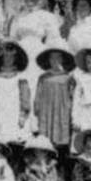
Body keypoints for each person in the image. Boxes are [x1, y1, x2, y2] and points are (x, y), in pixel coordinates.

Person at [6, 0, 61, 96]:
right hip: (21, 52)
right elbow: (13, 38)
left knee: (36, 79)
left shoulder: (46, 16)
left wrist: (50, 56)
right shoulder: (18, 17)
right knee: (21, 81)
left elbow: (53, 38)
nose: (29, 1)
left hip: (38, 51)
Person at [33, 42, 75, 173]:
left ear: (62, 59)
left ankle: (62, 172)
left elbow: (72, 96)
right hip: (46, 112)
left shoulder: (68, 77)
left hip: (62, 112)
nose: (54, 61)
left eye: (58, 57)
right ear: (48, 60)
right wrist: (37, 109)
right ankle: (47, 171)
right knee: (46, 141)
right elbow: (38, 96)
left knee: (61, 141)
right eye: (52, 58)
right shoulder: (43, 78)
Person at [0, 40, 30, 146]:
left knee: (15, 139)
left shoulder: (21, 76)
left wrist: (23, 113)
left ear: (15, 58)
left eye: (11, 57)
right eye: (5, 57)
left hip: (14, 110)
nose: (8, 60)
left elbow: (25, 95)